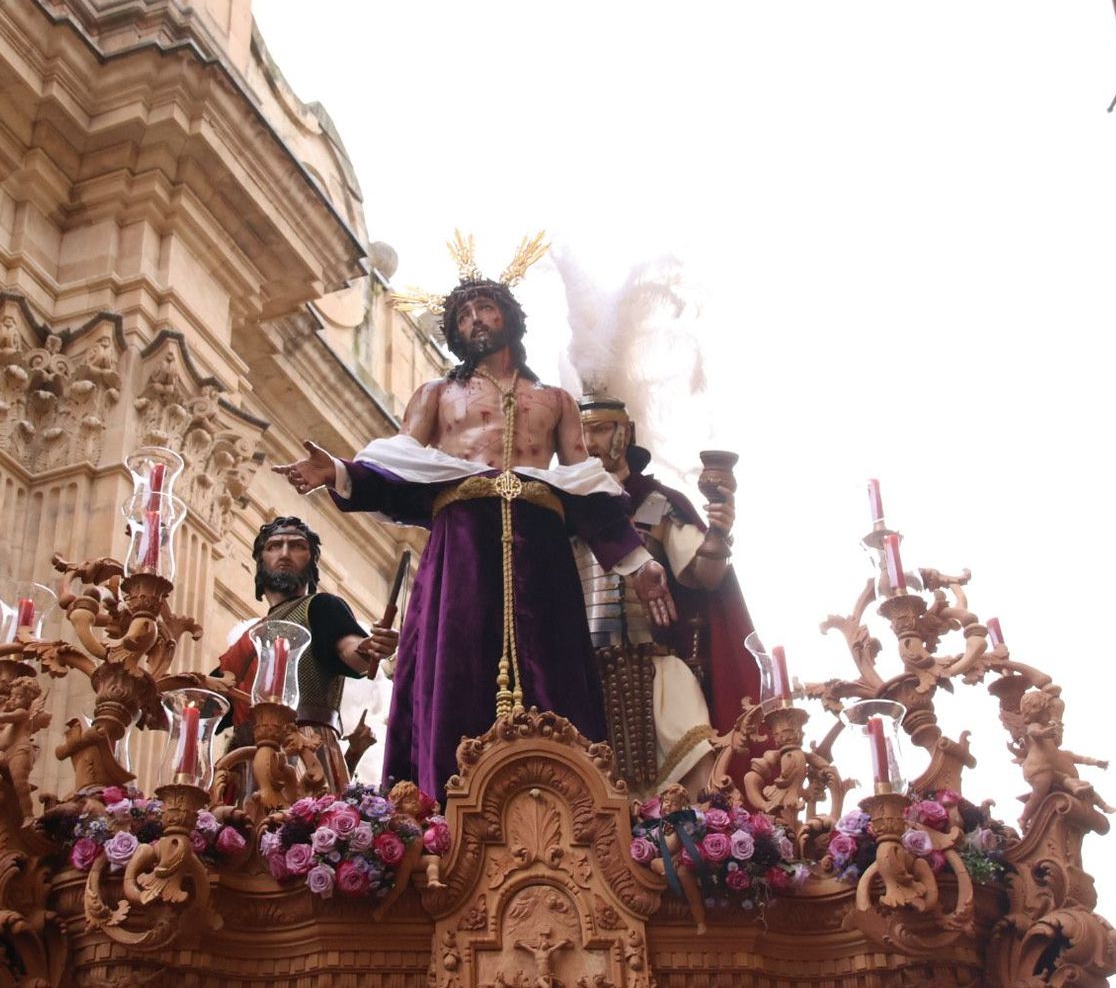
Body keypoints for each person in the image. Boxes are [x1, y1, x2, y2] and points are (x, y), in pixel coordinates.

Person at [274, 234, 673, 800]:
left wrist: (634, 561)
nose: (475, 320)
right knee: (454, 658)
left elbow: (587, 485)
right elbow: (401, 462)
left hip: (540, 538)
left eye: (485, 308)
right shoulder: (437, 394)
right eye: (463, 315)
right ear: (454, 332)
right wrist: (340, 473)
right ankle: (439, 803)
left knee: (555, 661)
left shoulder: (555, 400)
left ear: (509, 317)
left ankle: (573, 802)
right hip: (462, 535)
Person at [575, 394, 757, 796]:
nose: (590, 443)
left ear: (625, 433)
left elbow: (706, 576)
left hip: (657, 670)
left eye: (601, 430)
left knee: (701, 777)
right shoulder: (561, 513)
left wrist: (719, 530)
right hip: (582, 678)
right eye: (582, 431)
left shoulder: (655, 505)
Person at [215, 517, 397, 791]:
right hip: (246, 756)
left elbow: (350, 649)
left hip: (305, 747)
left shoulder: (320, 606)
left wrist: (370, 649)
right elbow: (210, 698)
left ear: (311, 561)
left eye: (296, 546)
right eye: (275, 546)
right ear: (260, 560)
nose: (285, 553)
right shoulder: (249, 637)